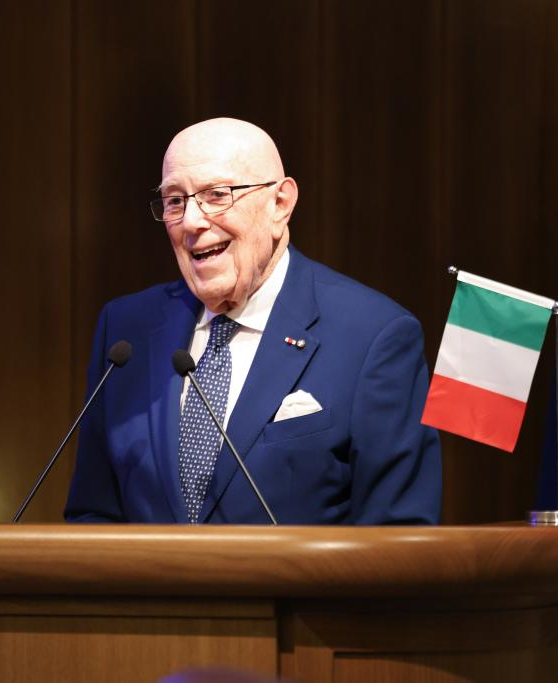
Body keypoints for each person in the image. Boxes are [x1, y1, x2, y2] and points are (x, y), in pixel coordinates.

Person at [65, 118, 440, 525]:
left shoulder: (374, 336)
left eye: (216, 195)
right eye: (175, 201)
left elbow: (397, 534)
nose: (191, 221)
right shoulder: (126, 332)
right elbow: (93, 514)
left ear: (280, 204)